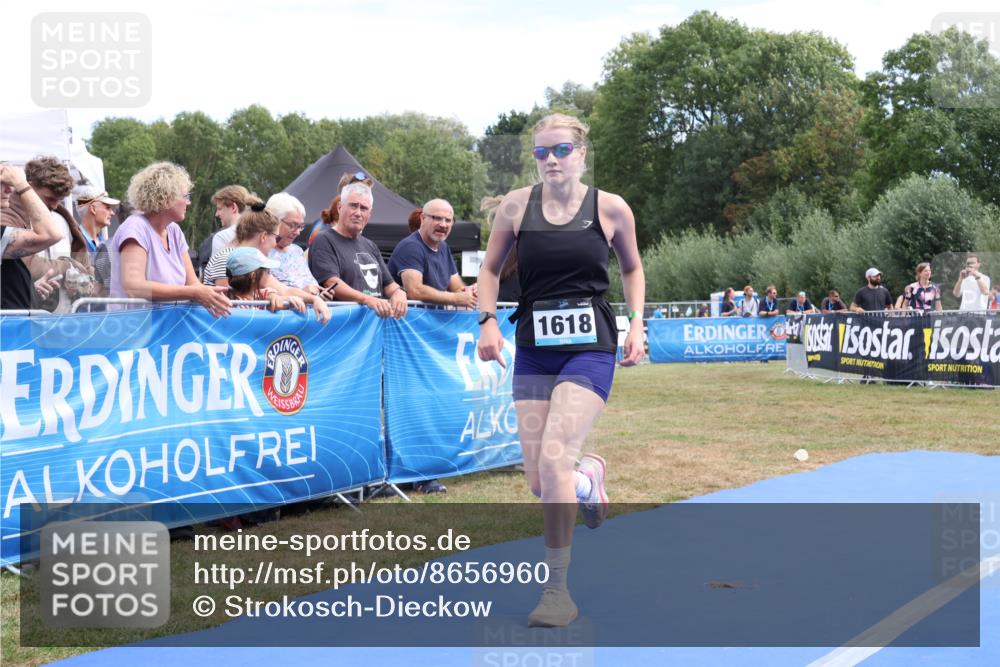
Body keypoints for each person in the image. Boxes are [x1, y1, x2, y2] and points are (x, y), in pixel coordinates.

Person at [477, 113, 645, 628]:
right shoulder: (515, 206)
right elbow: (487, 270)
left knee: (552, 464)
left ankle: (556, 592)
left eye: (561, 150)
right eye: (541, 152)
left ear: (581, 153)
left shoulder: (611, 208)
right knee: (539, 480)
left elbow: (632, 268)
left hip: (590, 349)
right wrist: (487, 322)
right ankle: (587, 479)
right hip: (533, 349)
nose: (551, 160)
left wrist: (637, 325)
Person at [109, 162, 232, 318]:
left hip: (164, 328)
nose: (189, 202)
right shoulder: (135, 228)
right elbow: (134, 286)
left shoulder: (174, 231)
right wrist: (194, 292)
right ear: (165, 198)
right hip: (133, 329)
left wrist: (211, 295)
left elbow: (193, 283)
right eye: (185, 196)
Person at [201, 204, 329, 322]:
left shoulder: (253, 262)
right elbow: (227, 306)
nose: (276, 243)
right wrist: (272, 298)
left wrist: (314, 299)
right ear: (263, 236)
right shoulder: (226, 258)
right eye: (276, 237)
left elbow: (284, 290)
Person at [307, 182, 408, 319]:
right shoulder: (324, 240)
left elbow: (388, 284)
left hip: (372, 327)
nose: (358, 213)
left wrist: (399, 293)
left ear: (370, 214)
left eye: (364, 208)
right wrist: (368, 300)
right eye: (353, 205)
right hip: (343, 327)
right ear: (340, 207)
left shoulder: (370, 246)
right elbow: (332, 283)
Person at [388, 198, 477, 309]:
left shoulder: (443, 247)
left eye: (448, 220)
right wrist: (456, 298)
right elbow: (415, 291)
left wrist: (470, 291)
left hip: (433, 324)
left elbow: (457, 288)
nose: (443, 225)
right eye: (437, 218)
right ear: (423, 218)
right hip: (411, 323)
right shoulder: (411, 246)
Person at [1, 164, 61, 309]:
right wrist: (22, 185)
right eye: (2, 184)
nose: (10, 189)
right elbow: (50, 234)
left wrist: (29, 291)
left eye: (11, 184)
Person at [265, 193, 321, 295]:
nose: (298, 232)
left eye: (300, 226)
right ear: (274, 221)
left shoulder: (296, 251)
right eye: (293, 225)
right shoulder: (261, 251)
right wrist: (303, 294)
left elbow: (311, 285)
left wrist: (321, 294)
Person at [76, 186, 119, 297]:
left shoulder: (104, 243)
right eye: (107, 207)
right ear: (93, 209)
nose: (112, 213)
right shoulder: (74, 242)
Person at [210, 185, 261, 255]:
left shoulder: (221, 238)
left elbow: (218, 266)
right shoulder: (261, 234)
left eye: (219, 209)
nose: (216, 214)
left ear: (234, 207)